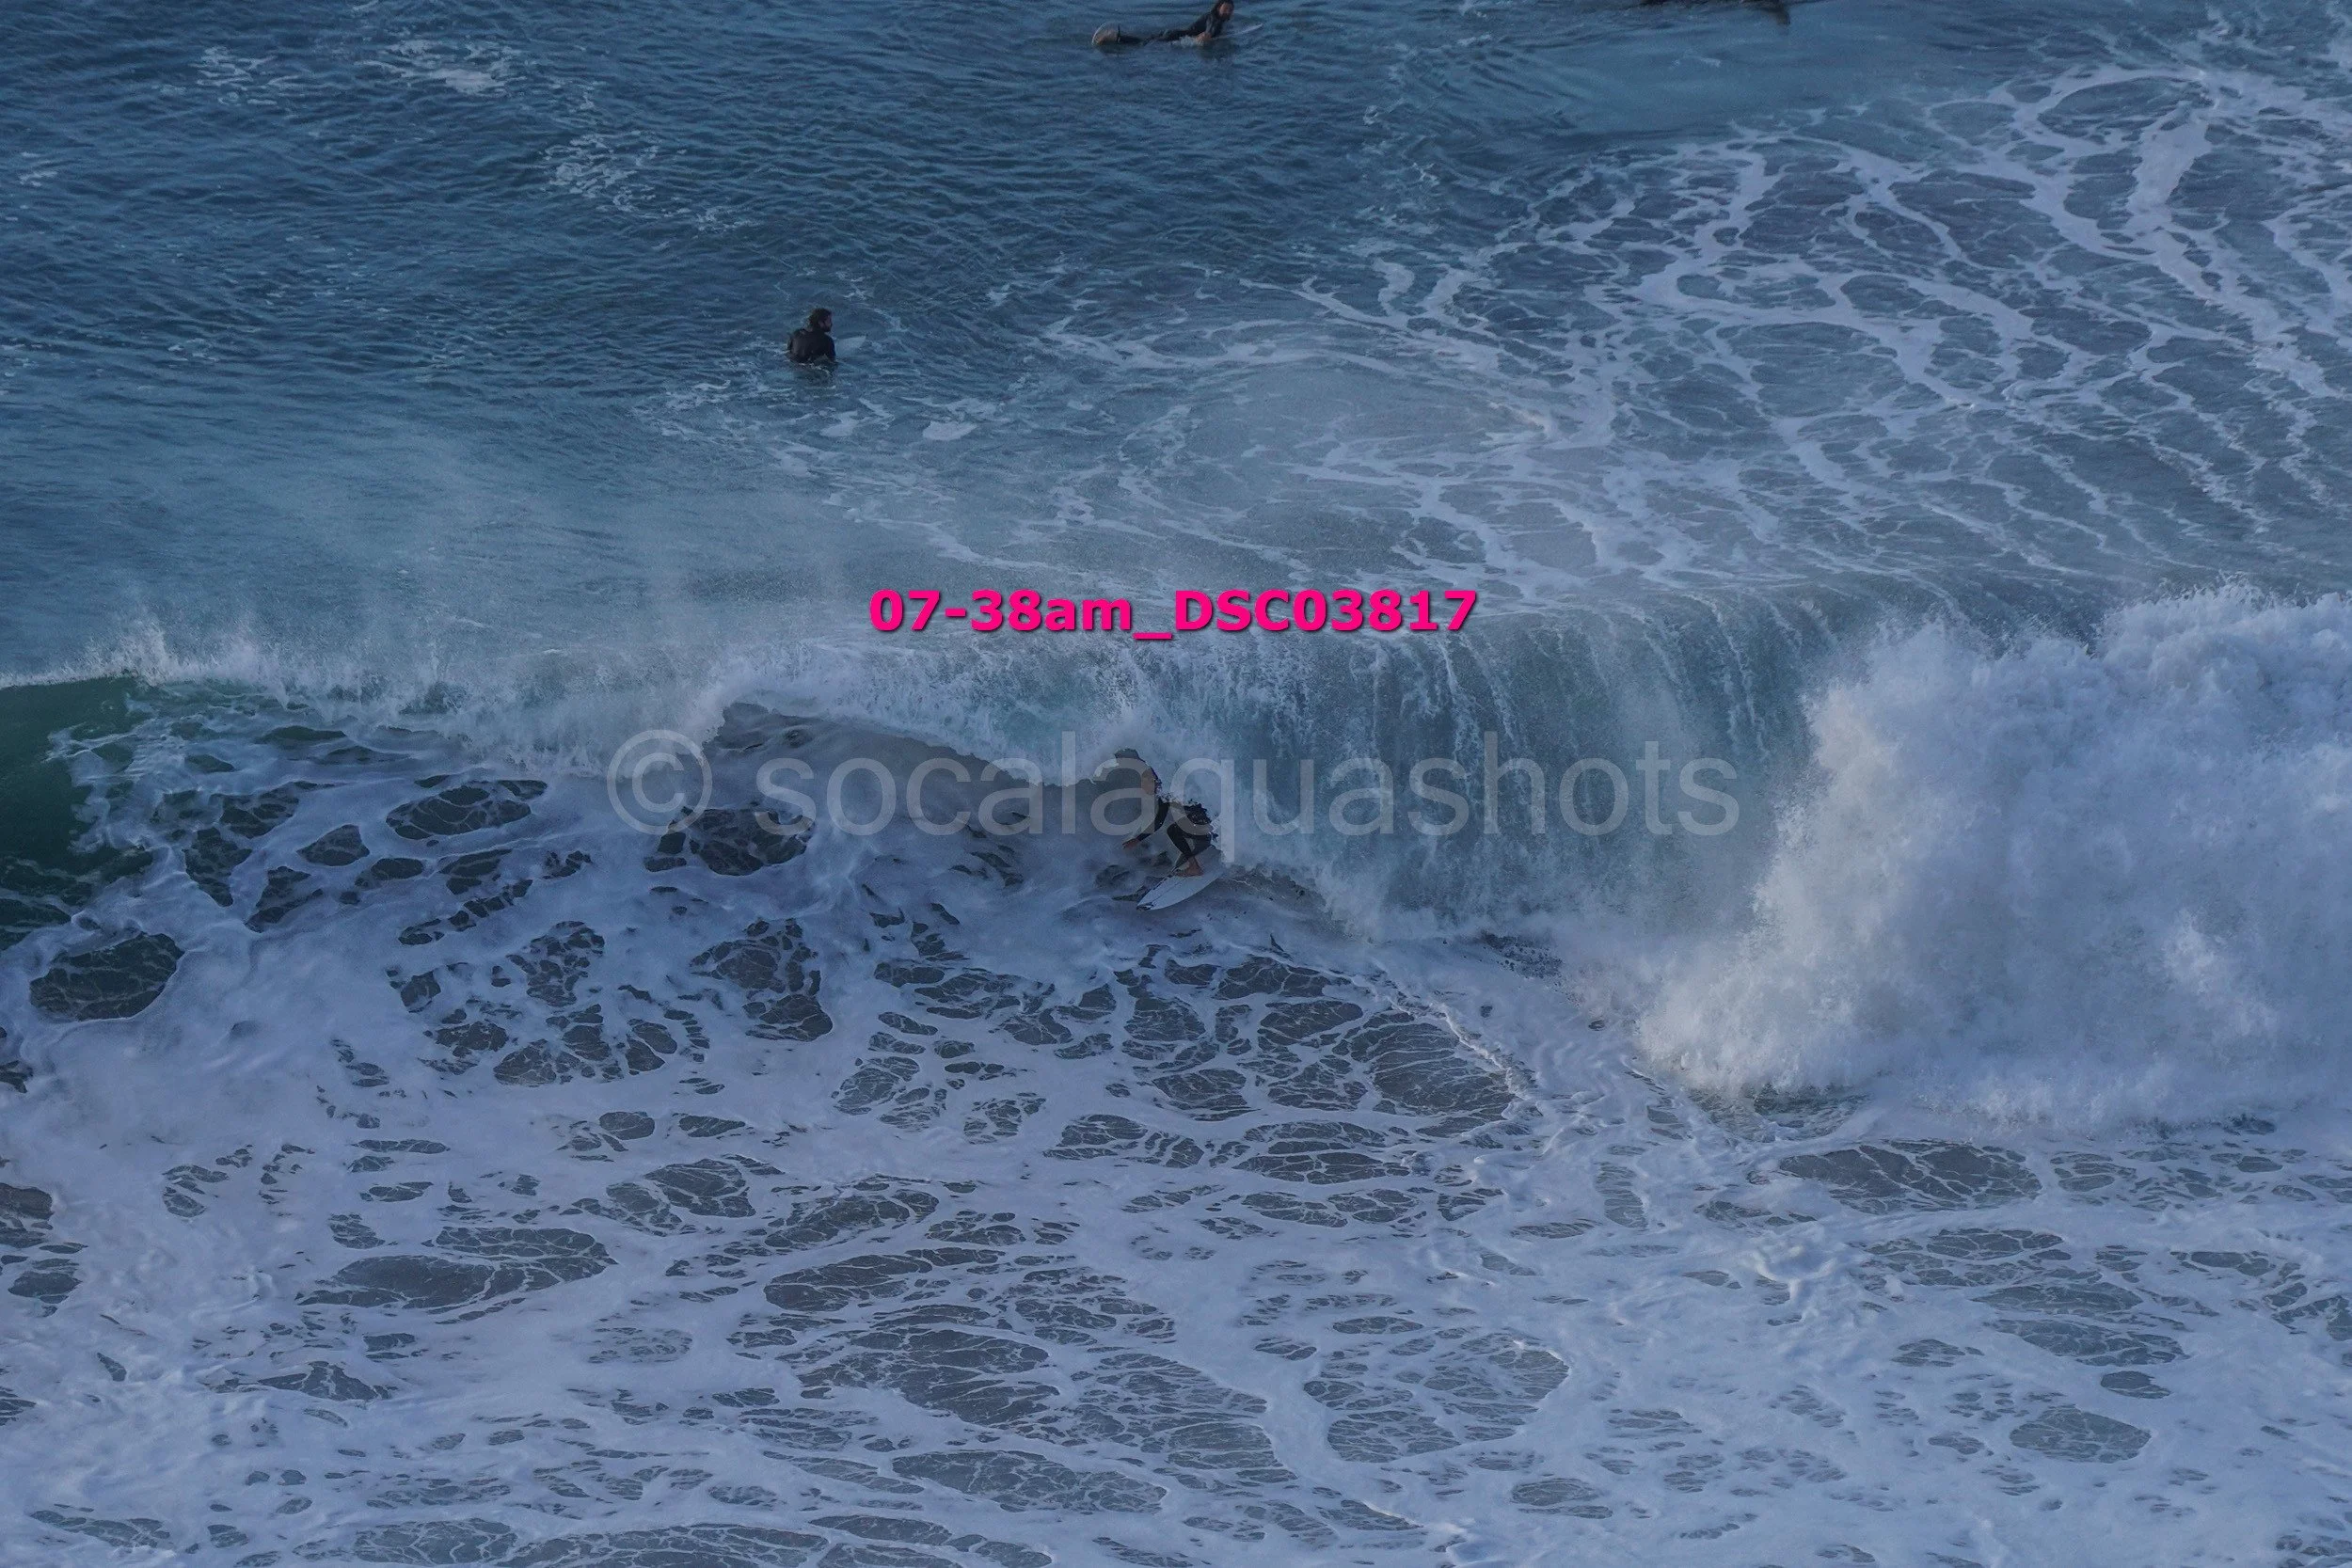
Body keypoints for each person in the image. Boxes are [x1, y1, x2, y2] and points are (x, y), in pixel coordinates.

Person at [1103, 749, 1217, 877]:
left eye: (1144, 783)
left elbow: (1159, 821)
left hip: (1207, 822)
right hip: (1210, 820)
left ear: (1153, 781)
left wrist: (1137, 839)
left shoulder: (1167, 793)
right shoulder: (1167, 789)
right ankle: (1209, 843)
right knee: (1182, 840)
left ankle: (1195, 867)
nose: (1142, 787)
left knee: (1173, 831)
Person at [1095, 1, 1234, 46]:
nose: (1228, 12)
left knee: (1144, 41)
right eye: (1225, 8)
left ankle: (1115, 36)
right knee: (1141, 44)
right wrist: (1205, 37)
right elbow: (1209, 30)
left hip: (1173, 33)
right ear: (1218, 7)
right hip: (1174, 37)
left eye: (1230, 10)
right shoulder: (1214, 19)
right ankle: (1114, 37)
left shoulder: (1213, 17)